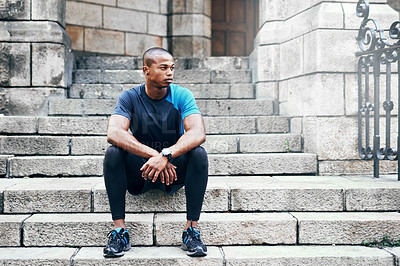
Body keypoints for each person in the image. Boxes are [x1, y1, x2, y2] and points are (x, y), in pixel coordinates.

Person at [102, 47, 208, 258]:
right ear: (146, 70)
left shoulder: (181, 95)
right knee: (113, 153)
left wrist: (167, 154)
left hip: (173, 173)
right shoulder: (130, 97)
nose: (170, 72)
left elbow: (198, 132)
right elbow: (114, 132)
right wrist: (155, 156)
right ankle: (119, 231)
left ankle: (191, 230)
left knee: (199, 154)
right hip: (141, 172)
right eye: (163, 67)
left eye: (172, 68)